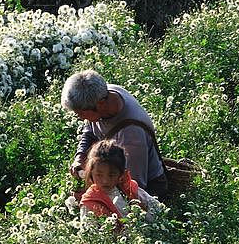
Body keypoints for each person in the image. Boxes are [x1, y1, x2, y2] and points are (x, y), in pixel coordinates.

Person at [61, 69, 168, 200]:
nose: (80, 118)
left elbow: (133, 186)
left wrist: (90, 194)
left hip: (147, 189)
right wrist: (80, 157)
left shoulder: (131, 134)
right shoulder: (105, 93)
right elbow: (89, 131)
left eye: (81, 113)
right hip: (110, 173)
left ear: (100, 104)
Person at [79, 140, 161, 224]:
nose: (105, 181)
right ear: (91, 173)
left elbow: (156, 207)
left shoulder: (127, 188)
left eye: (111, 175)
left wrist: (147, 220)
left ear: (121, 174)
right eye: (99, 175)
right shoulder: (90, 202)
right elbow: (88, 232)